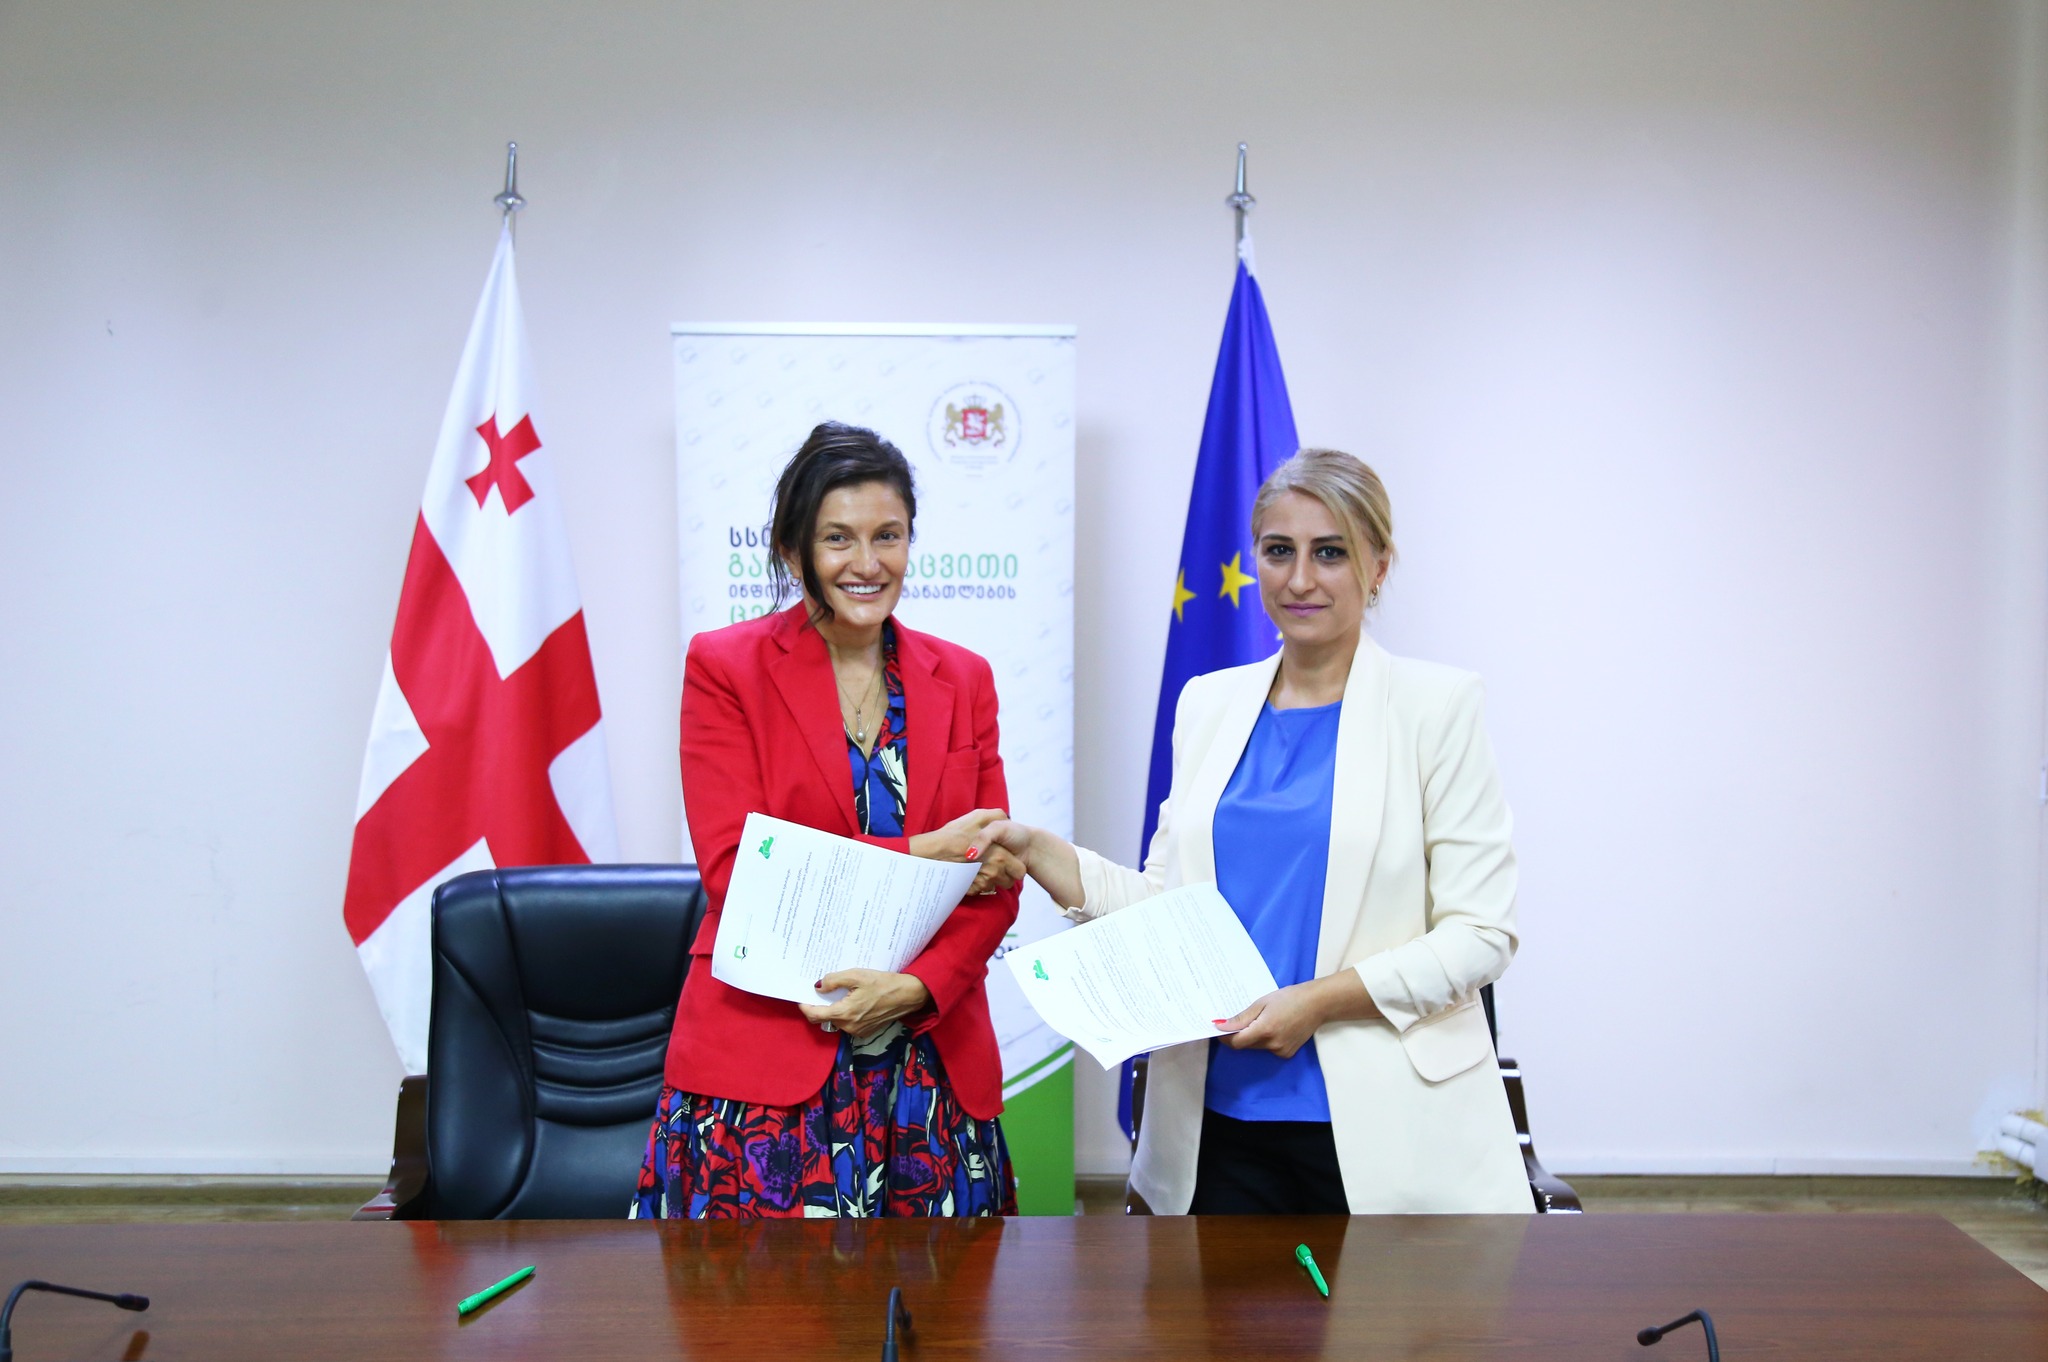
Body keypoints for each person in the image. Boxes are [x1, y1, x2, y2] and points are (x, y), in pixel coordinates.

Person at [972, 448, 1530, 1215]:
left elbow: (1480, 935)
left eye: (1330, 552)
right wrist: (1040, 852)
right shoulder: (1208, 704)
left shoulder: (1437, 707)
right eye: (1278, 551)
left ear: (1378, 565)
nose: (1300, 579)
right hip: (1213, 1128)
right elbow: (1167, 908)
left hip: (1383, 1132)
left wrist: (1318, 1001)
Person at [633, 421, 1026, 1219]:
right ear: (793, 551)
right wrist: (927, 852)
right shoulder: (725, 668)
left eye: (889, 535)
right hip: (766, 1063)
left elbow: (997, 881)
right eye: (838, 538)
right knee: (758, 1302)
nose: (867, 563)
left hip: (927, 1070)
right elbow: (740, 873)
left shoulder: (964, 678)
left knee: (943, 1299)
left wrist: (914, 988)